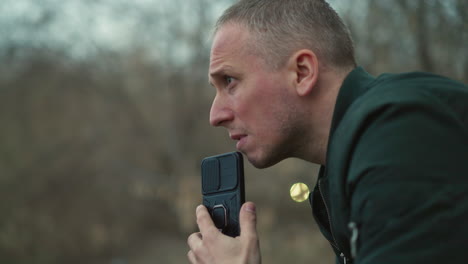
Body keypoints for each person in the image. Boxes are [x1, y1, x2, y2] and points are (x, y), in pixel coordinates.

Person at [187, 0, 468, 263]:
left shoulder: (402, 132)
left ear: (302, 72)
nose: (215, 116)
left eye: (230, 81)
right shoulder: (344, 168)